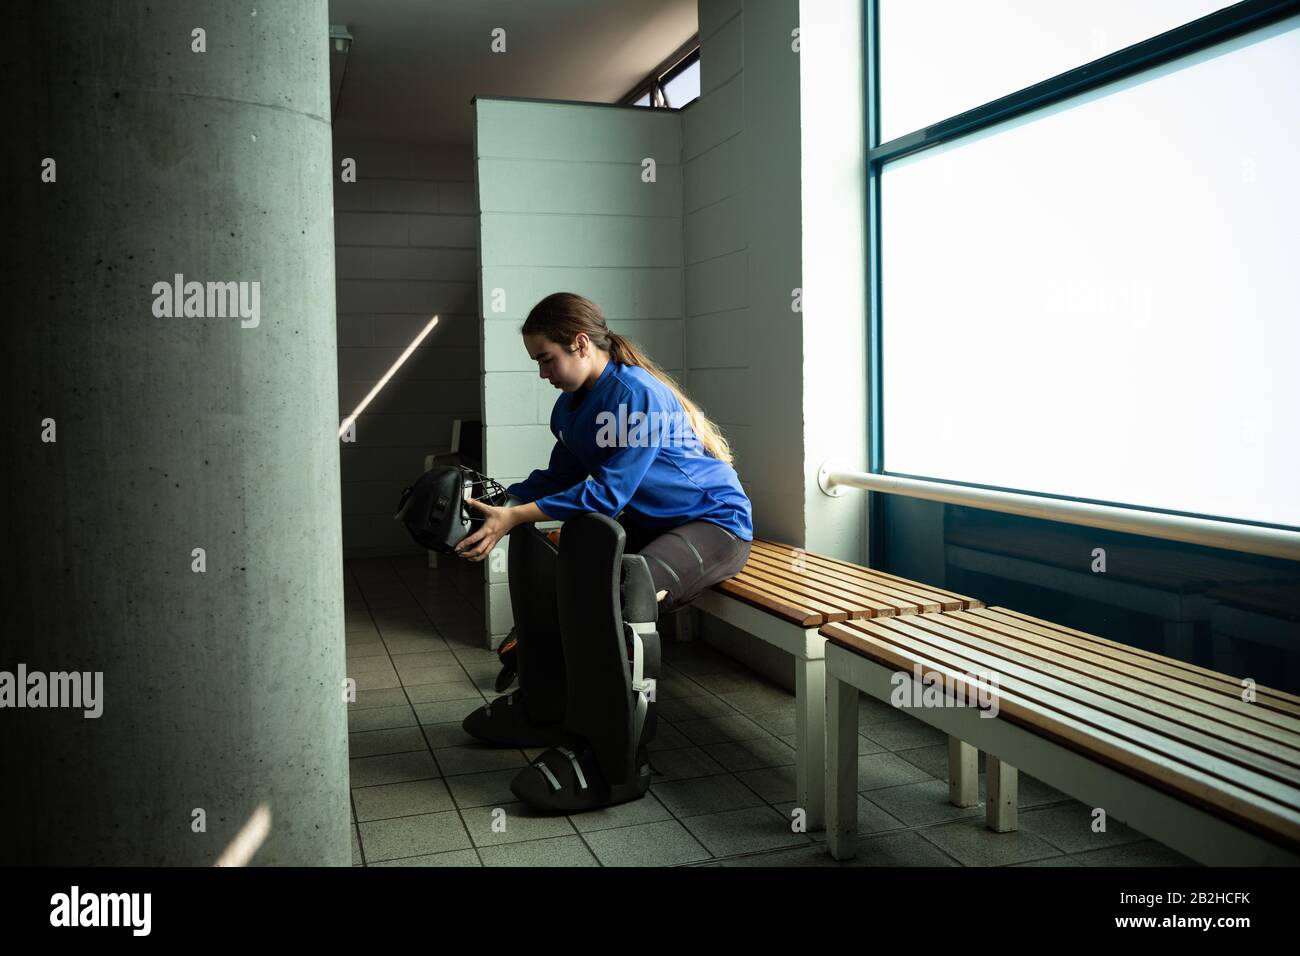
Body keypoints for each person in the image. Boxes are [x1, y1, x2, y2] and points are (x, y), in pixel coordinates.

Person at [452, 291, 753, 811]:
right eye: (536, 362)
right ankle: (547, 705)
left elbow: (606, 494)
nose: (543, 372)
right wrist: (496, 504)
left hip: (711, 524)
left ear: (581, 343)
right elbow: (556, 478)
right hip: (650, 523)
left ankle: (615, 755)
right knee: (556, 556)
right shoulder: (570, 408)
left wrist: (518, 513)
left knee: (627, 589)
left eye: (546, 358)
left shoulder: (635, 394)